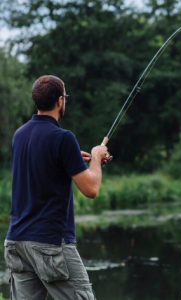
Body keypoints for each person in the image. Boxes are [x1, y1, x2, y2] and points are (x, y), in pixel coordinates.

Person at [4, 75, 107, 300]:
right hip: (50, 242)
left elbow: (43, 166)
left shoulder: (20, 135)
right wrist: (97, 157)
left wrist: (70, 160)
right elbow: (91, 189)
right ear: (60, 101)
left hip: (16, 242)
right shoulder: (63, 138)